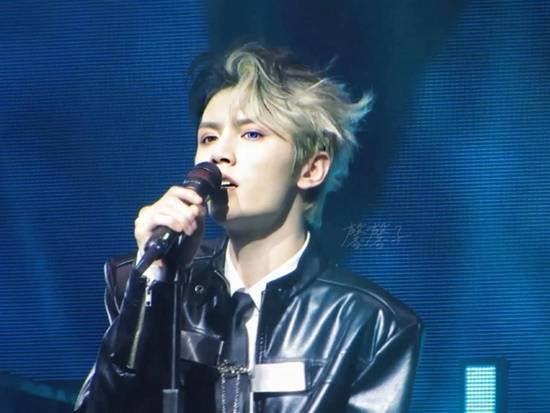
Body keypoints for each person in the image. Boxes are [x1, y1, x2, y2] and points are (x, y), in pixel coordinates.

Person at [75, 43, 423, 413]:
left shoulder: (372, 323)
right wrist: (157, 286)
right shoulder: (143, 283)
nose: (219, 154)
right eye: (208, 138)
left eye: (252, 134)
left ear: (311, 168)